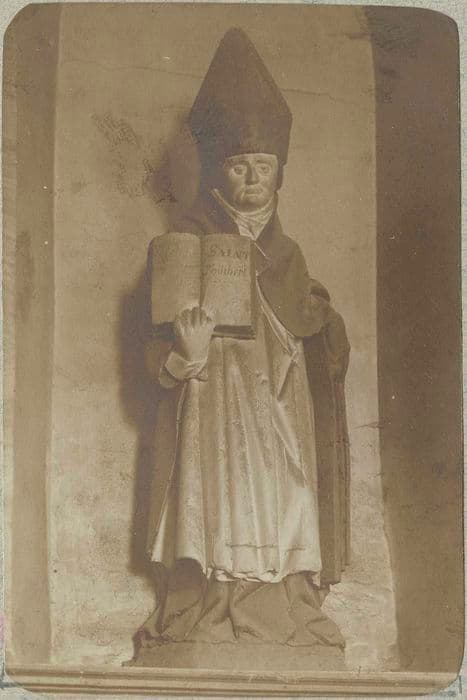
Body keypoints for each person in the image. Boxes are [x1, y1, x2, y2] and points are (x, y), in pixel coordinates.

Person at [137, 27, 350, 654]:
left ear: (280, 171)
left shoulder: (290, 253)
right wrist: (185, 356)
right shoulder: (184, 243)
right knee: (214, 495)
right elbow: (148, 347)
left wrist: (318, 320)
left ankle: (282, 603)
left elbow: (318, 330)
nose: (253, 178)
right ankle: (211, 602)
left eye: (264, 166)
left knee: (285, 491)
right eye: (238, 165)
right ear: (217, 171)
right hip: (210, 403)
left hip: (278, 403)